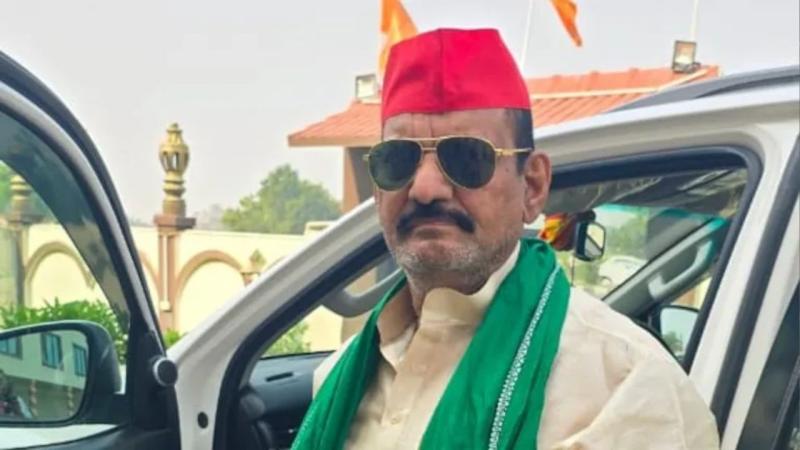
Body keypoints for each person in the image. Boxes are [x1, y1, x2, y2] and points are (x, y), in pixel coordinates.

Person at [293, 28, 719, 449]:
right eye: (398, 159)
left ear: (532, 186)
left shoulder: (626, 386)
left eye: (466, 157)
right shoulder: (338, 379)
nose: (425, 188)